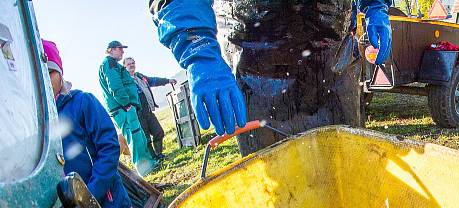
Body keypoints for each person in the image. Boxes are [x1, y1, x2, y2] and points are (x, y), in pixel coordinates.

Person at [44, 39, 185, 208]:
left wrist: (93, 191)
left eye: (49, 72)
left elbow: (109, 147)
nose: (46, 81)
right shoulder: (43, 121)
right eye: (40, 75)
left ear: (60, 70)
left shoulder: (82, 103)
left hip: (106, 201)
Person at [149, 0, 392, 149]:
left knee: (347, 164)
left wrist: (375, 4)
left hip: (333, 61)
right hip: (256, 67)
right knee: (280, 184)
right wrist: (197, 46)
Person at [98, 40, 157, 176]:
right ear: (110, 50)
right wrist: (126, 103)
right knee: (134, 137)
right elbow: (115, 86)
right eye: (119, 49)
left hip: (125, 107)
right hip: (123, 108)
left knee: (139, 135)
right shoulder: (109, 64)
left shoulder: (114, 65)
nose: (122, 51)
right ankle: (145, 169)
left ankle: (149, 163)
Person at [123, 57, 176, 160]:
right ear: (124, 66)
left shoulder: (140, 76)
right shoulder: (125, 81)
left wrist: (168, 80)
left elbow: (154, 80)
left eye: (133, 63)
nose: (131, 65)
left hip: (148, 110)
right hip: (138, 113)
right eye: (129, 64)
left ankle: (159, 154)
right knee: (146, 138)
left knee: (158, 132)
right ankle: (153, 158)